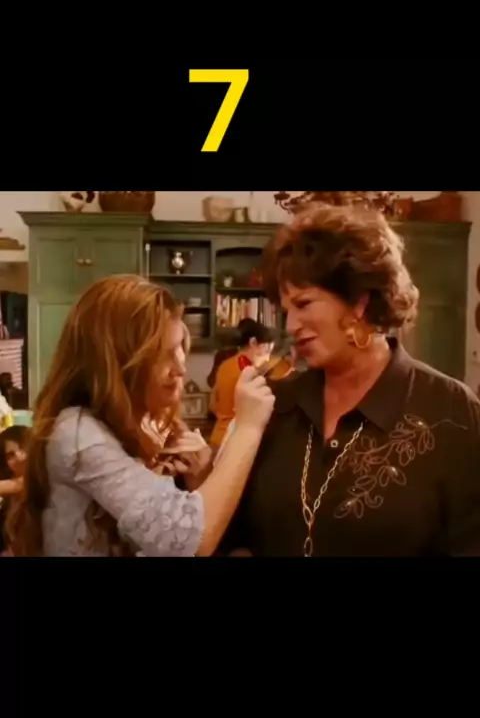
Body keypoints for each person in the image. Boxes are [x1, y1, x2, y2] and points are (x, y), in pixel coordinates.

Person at [218, 202, 480, 557]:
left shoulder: (452, 411)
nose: (291, 325)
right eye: (286, 310)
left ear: (359, 300)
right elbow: (233, 536)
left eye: (304, 304)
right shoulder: (275, 405)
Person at [5, 275, 275, 557]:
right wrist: (248, 426)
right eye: (164, 354)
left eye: (180, 349)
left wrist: (201, 477)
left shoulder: (120, 426)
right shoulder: (78, 433)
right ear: (117, 361)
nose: (181, 368)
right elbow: (188, 538)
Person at [210, 318, 274, 450]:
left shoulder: (225, 365)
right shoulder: (248, 373)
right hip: (235, 441)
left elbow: (213, 405)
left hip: (218, 437)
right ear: (253, 342)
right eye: (266, 350)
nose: (267, 358)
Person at [0, 425, 29, 555]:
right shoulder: (9, 499)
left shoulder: (41, 480)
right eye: (10, 455)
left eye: (23, 447)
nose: (19, 456)